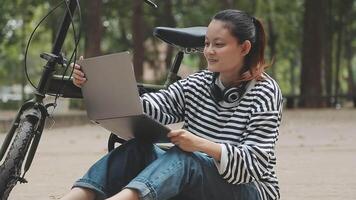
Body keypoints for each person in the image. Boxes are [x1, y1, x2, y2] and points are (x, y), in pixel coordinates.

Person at [62, 9, 283, 200]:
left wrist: (200, 145)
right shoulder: (199, 82)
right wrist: (96, 84)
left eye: (219, 44)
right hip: (197, 176)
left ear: (244, 48)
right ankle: (78, 195)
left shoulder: (265, 91)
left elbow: (252, 165)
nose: (208, 51)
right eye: (206, 43)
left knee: (184, 157)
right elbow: (152, 106)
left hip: (250, 190)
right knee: (137, 148)